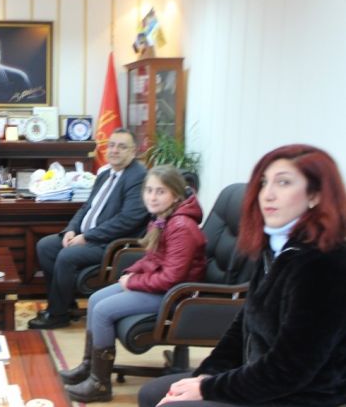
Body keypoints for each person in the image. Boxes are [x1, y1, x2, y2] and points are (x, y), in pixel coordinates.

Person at [139, 144, 346, 407]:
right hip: (257, 376)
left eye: (283, 182)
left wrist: (208, 388)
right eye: (264, 183)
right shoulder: (277, 249)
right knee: (153, 393)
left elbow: (291, 369)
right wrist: (207, 374)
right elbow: (243, 326)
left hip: (300, 394)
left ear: (315, 195)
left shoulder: (324, 263)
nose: (267, 194)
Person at [61, 165, 207, 403]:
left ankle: (100, 384)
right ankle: (89, 367)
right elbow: (152, 258)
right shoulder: (162, 218)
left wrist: (135, 282)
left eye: (160, 191)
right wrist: (130, 274)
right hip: (160, 285)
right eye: (149, 190)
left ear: (176, 195)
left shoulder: (181, 226)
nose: (152, 197)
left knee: (102, 310)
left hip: (175, 295)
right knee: (96, 299)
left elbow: (172, 277)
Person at [28, 128, 150, 329]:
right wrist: (71, 229)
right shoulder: (105, 174)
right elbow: (87, 207)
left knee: (67, 255)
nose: (114, 150)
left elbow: (128, 220)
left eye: (122, 147)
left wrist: (87, 237)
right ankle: (64, 304)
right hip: (88, 236)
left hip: (111, 244)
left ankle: (58, 314)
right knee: (45, 246)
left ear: (133, 151)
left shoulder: (138, 177)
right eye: (111, 145)